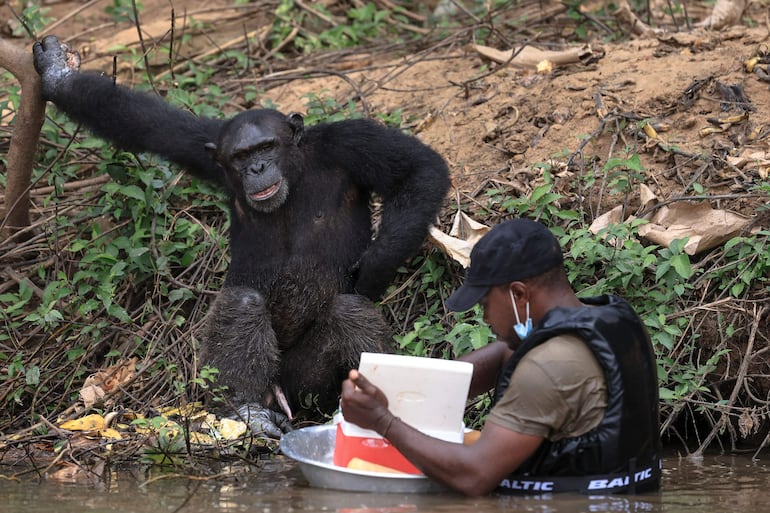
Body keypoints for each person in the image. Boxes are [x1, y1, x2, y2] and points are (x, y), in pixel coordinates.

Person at [340, 218, 661, 496]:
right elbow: (508, 351)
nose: (485, 318)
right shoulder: (610, 320)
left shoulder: (547, 367)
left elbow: (474, 475)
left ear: (519, 294)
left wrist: (383, 421)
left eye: (484, 304)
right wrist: (399, 388)